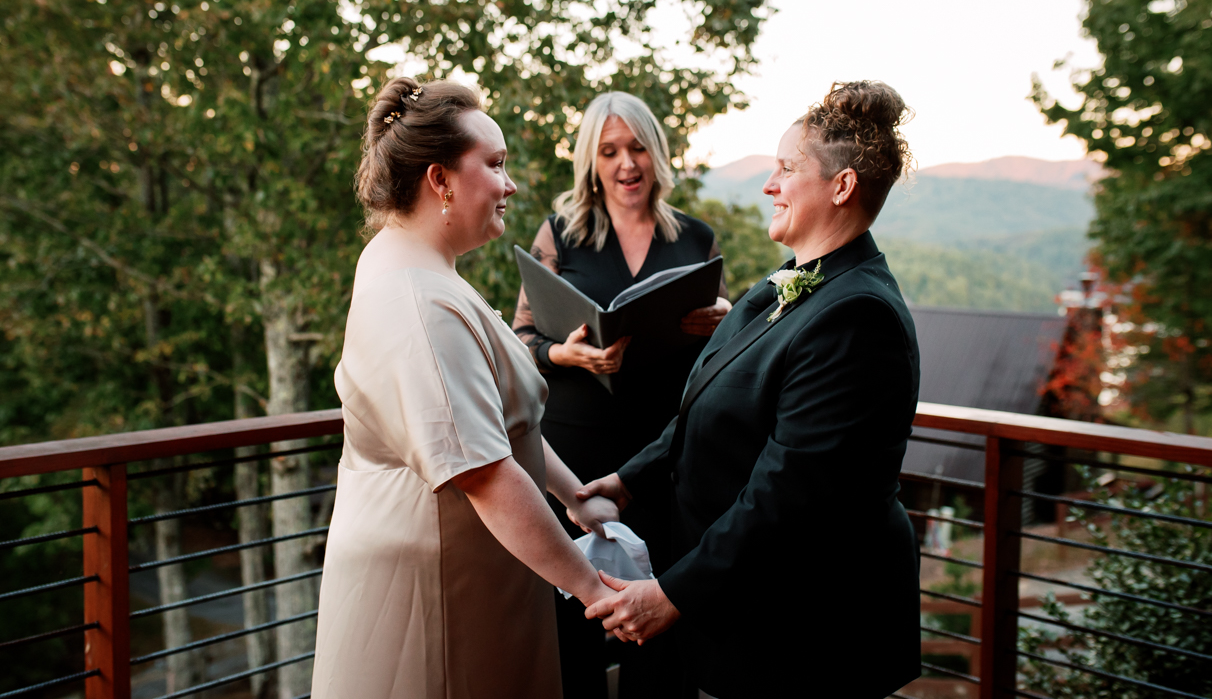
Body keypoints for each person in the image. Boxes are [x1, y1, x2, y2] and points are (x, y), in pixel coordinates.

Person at [579, 81, 923, 698]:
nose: (770, 185)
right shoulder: (784, 285)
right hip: (753, 616)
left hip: (811, 630)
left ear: (841, 187)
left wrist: (675, 593)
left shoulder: (858, 317)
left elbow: (789, 491)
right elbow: (705, 401)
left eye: (787, 169)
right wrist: (630, 479)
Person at [311, 77, 619, 699]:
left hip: (477, 569)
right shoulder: (414, 301)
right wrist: (594, 591)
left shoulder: (422, 265)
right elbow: (483, 470)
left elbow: (501, 423)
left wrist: (574, 494)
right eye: (496, 165)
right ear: (440, 179)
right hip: (435, 588)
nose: (510, 185)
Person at [512, 91, 731, 698]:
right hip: (575, 461)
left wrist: (728, 315)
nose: (626, 164)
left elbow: (729, 353)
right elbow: (519, 338)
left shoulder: (697, 238)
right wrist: (566, 353)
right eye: (609, 151)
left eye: (637, 147)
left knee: (661, 627)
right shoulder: (560, 235)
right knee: (571, 619)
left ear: (656, 153)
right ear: (591, 159)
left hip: (665, 459)